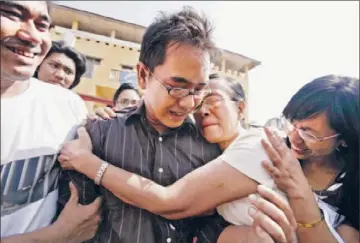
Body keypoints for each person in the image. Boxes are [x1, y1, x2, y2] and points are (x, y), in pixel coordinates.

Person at [57, 7, 295, 243]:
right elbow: (76, 221)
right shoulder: (100, 133)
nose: (189, 103)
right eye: (177, 87)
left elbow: (205, 222)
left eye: (200, 90)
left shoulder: (210, 146)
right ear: (143, 75)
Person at [0, 1, 101, 242]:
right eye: (13, 14)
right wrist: (57, 236)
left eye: (42, 24)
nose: (32, 35)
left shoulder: (67, 104)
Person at [260, 75, 359, 243]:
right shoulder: (275, 153)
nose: (294, 138)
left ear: (343, 138)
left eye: (309, 133)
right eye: (292, 123)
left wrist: (300, 192)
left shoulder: (352, 186)